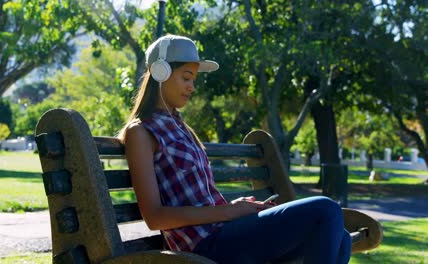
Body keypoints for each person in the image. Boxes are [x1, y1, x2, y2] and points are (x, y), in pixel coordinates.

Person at [118, 34, 351, 264]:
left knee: (341, 237)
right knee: (326, 210)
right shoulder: (141, 132)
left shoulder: (180, 127)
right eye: (186, 77)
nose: (192, 87)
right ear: (161, 72)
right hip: (204, 247)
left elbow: (201, 200)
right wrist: (229, 212)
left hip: (224, 233)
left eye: (194, 80)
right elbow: (155, 218)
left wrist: (232, 207)